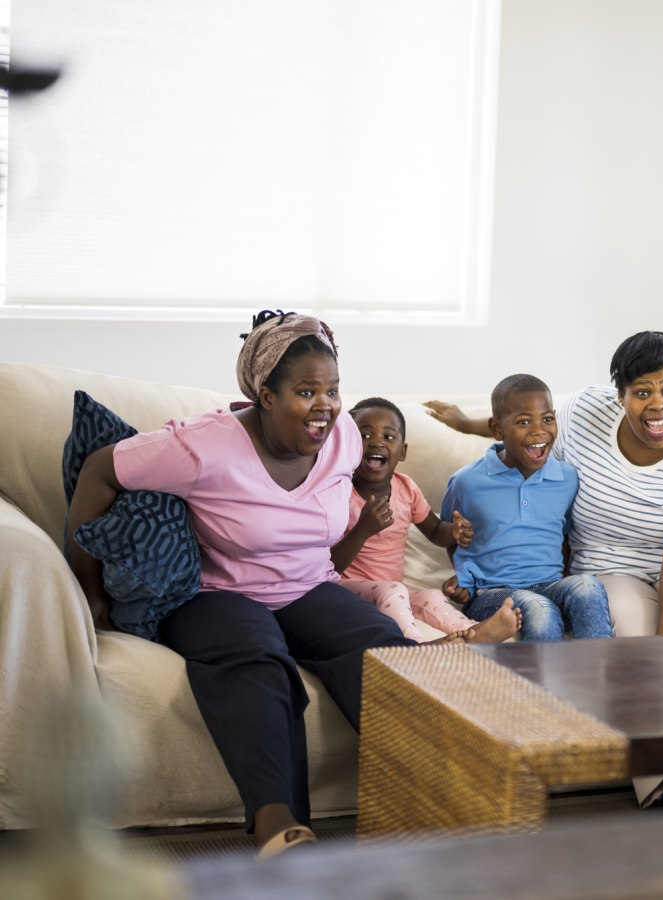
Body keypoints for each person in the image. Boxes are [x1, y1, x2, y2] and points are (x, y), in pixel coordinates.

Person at [66, 311, 518, 858]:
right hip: (218, 594)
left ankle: (441, 803)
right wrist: (91, 591)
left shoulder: (344, 436)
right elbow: (99, 470)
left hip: (308, 586)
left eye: (332, 390)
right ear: (265, 394)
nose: (325, 405)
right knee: (256, 658)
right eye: (306, 391)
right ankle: (278, 825)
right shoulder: (202, 445)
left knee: (383, 648)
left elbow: (372, 494)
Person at [425, 332, 663, 808]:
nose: (657, 405)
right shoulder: (584, 411)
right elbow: (524, 432)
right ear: (618, 396)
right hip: (613, 567)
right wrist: (466, 423)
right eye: (642, 392)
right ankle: (661, 781)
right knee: (619, 610)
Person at [331, 397, 520, 643]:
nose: (377, 442)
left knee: (429, 595)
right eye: (365, 436)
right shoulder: (340, 493)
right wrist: (362, 530)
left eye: (389, 437)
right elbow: (328, 564)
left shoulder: (406, 489)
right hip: (346, 589)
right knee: (395, 590)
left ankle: (474, 632)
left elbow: (434, 530)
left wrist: (453, 531)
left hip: (389, 594)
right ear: (349, 445)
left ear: (402, 451)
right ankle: (417, 646)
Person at [439, 374, 612, 642]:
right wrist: (464, 579)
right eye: (523, 421)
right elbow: (449, 533)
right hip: (491, 594)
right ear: (497, 429)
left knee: (587, 586)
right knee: (538, 608)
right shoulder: (467, 482)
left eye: (547, 419)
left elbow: (564, 536)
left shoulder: (567, 478)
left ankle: (599, 679)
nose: (539, 430)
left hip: (551, 586)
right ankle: (539, 686)